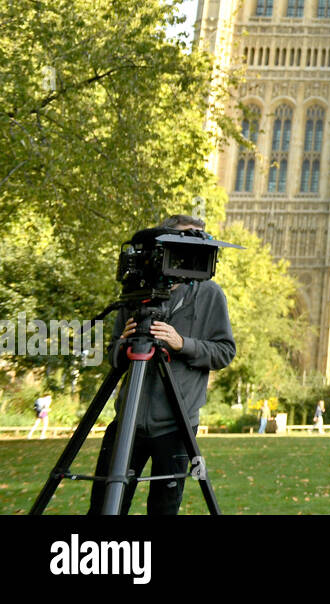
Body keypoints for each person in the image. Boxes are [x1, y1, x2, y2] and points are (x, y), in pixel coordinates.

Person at [89, 214, 236, 514]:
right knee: (104, 507)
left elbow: (225, 352)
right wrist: (123, 345)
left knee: (163, 509)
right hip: (128, 422)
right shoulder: (138, 291)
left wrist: (183, 344)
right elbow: (113, 357)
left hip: (176, 424)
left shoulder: (209, 294)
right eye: (185, 241)